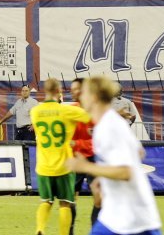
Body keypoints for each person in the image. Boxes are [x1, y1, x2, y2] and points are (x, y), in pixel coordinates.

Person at [67, 77, 162, 235]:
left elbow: (126, 172)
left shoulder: (108, 127)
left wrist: (86, 167)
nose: (79, 96)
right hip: (116, 215)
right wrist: (104, 178)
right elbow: (139, 152)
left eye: (83, 93)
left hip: (132, 216)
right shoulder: (109, 122)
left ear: (94, 97)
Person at [30, 78, 92, 235]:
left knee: (46, 201)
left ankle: (40, 228)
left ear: (44, 91)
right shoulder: (67, 110)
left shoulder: (35, 111)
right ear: (60, 91)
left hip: (44, 166)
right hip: (64, 166)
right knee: (65, 204)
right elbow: (88, 116)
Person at [69, 78, 100, 235]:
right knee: (69, 202)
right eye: (71, 88)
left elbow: (99, 141)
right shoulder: (70, 110)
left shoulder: (95, 111)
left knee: (99, 198)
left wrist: (76, 144)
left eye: (75, 88)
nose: (71, 91)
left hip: (94, 160)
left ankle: (95, 231)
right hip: (75, 161)